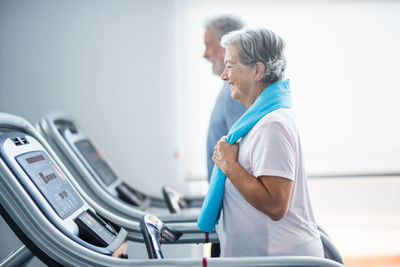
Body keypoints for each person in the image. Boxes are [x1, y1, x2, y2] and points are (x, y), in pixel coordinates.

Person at [211, 28, 324, 257]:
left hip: (280, 256)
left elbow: (275, 205)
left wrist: (229, 165)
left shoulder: (272, 125)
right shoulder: (261, 120)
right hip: (270, 254)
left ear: (257, 70)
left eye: (231, 66)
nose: (224, 75)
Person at [203, 15, 247, 257]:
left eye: (208, 45)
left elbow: (243, 160)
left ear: (225, 48)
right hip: (226, 215)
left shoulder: (237, 94)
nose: (205, 54)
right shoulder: (228, 88)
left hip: (235, 219)